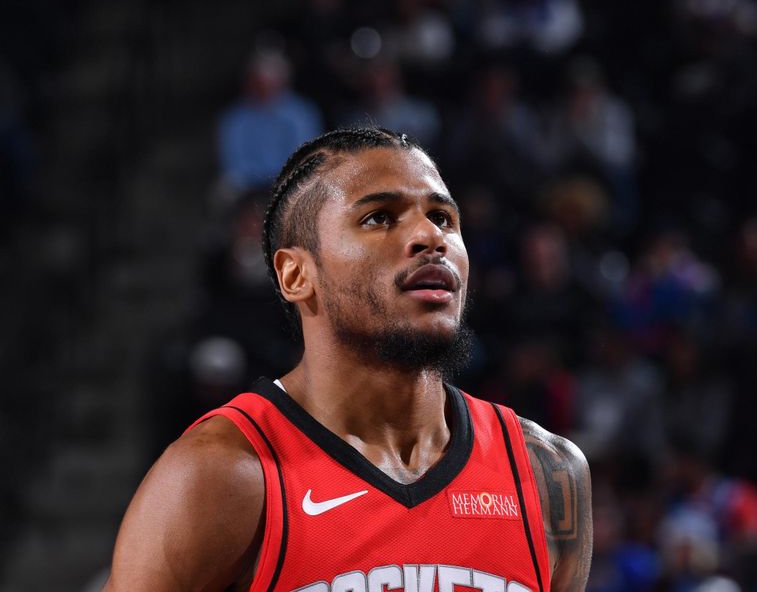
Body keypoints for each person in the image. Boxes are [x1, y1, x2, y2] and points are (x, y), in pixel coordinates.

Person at [103, 127, 592, 591]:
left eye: (443, 218)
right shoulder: (222, 475)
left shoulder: (547, 474)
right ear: (296, 274)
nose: (430, 237)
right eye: (379, 217)